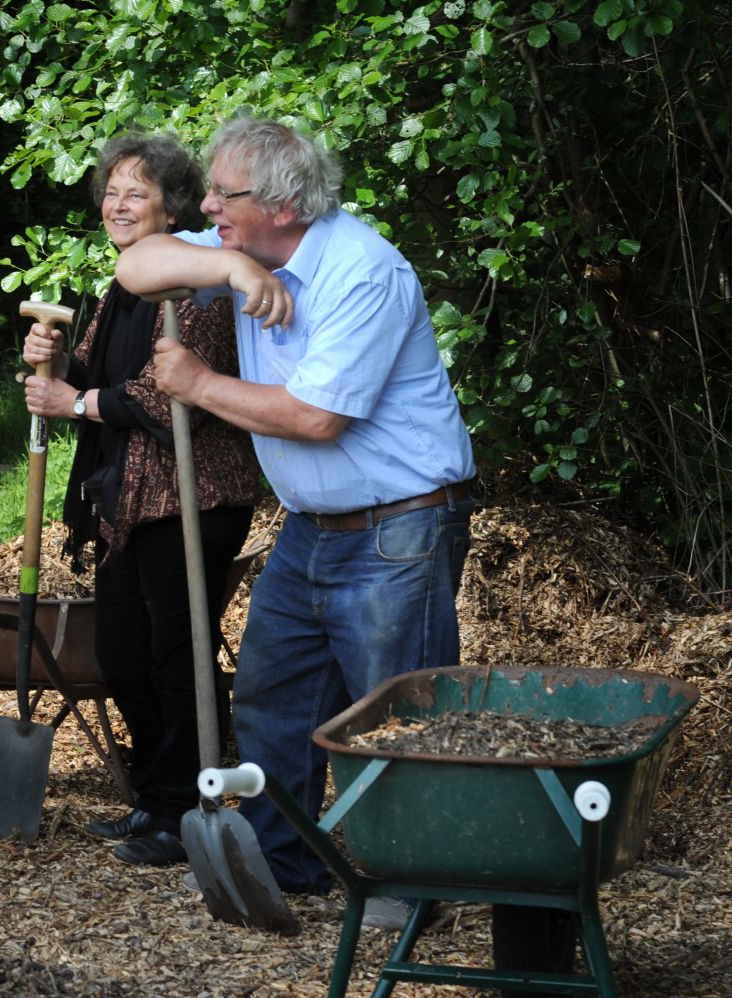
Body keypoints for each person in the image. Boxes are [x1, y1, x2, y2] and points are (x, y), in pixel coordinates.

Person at [118, 117, 475, 926]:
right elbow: (136, 263)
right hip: (314, 527)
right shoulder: (253, 254)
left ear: (281, 203)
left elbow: (316, 419)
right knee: (273, 700)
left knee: (395, 714)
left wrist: (199, 382)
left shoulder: (363, 272)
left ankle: (413, 884)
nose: (206, 202)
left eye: (223, 195)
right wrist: (229, 262)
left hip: (399, 531)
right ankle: (286, 862)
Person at [21, 134, 286, 867]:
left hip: (194, 499)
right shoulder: (123, 287)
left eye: (135, 193)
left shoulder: (201, 291)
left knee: (179, 655)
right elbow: (96, 371)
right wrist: (57, 363)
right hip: (127, 500)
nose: (117, 204)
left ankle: (190, 808)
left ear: (172, 207)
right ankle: (156, 796)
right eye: (111, 192)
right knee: (122, 653)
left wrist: (75, 403)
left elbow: (168, 400)